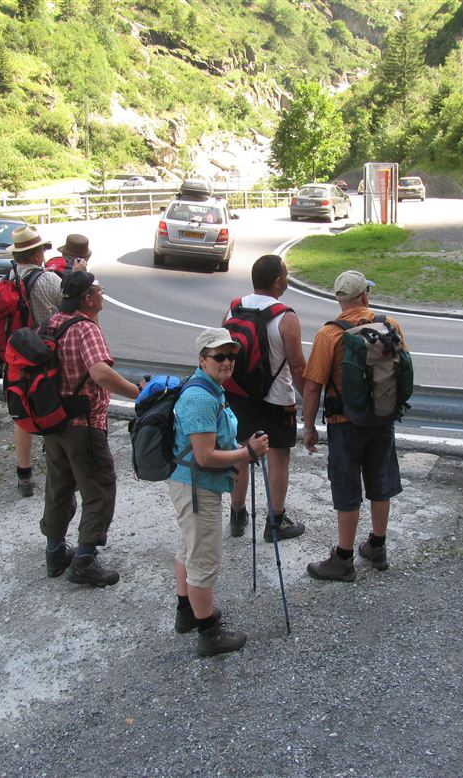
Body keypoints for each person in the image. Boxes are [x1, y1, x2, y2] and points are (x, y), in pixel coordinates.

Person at [301, 270, 406, 582]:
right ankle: (377, 546)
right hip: (382, 419)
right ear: (364, 296)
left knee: (347, 487)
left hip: (344, 423)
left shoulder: (328, 335)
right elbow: (403, 365)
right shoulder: (390, 325)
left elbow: (312, 387)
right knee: (380, 481)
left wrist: (309, 427)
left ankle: (343, 559)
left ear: (340, 300)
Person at [170, 328, 269, 657]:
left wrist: (241, 448)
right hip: (197, 487)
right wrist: (247, 452)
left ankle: (187, 611)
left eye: (231, 356)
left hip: (192, 484)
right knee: (203, 558)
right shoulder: (201, 397)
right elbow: (205, 456)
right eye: (219, 356)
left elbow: (211, 446)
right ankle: (208, 633)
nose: (227, 362)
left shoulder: (209, 387)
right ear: (202, 360)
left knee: (189, 548)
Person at [40, 270, 142, 586]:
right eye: (99, 290)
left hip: (53, 421)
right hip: (84, 425)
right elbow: (100, 373)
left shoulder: (50, 324)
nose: (102, 294)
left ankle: (55, 552)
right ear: (87, 298)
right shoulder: (85, 329)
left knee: (59, 487)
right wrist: (137, 393)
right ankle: (84, 560)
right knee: (99, 489)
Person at [224, 254, 306, 542]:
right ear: (278, 282)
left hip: (238, 395)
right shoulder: (286, 317)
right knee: (278, 458)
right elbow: (298, 367)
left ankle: (237, 515)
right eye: (286, 275)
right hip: (277, 399)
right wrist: (309, 405)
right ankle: (275, 522)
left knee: (240, 452)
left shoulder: (233, 309)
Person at [6, 226, 67, 497]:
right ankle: (58, 467)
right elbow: (70, 307)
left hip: (16, 356)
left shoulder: (9, 277)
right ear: (35, 254)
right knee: (52, 406)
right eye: (41, 249)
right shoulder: (49, 280)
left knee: (22, 412)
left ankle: (25, 474)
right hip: (45, 355)